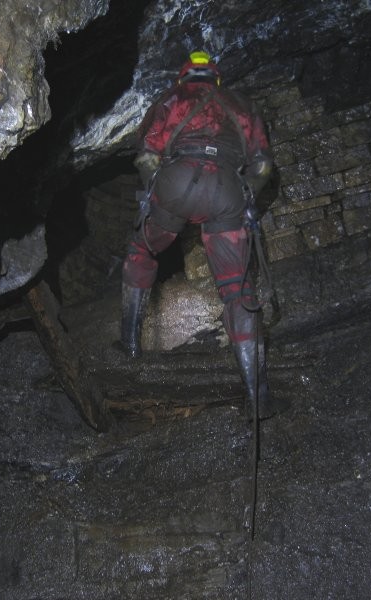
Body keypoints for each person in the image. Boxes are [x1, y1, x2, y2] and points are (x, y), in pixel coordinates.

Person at [120, 50, 277, 419]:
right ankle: (258, 397)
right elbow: (264, 165)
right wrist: (246, 194)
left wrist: (155, 192)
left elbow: (146, 155)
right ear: (216, 78)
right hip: (226, 188)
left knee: (141, 251)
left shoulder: (171, 99)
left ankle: (128, 344)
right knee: (238, 289)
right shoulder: (242, 104)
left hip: (177, 183)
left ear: (185, 76)